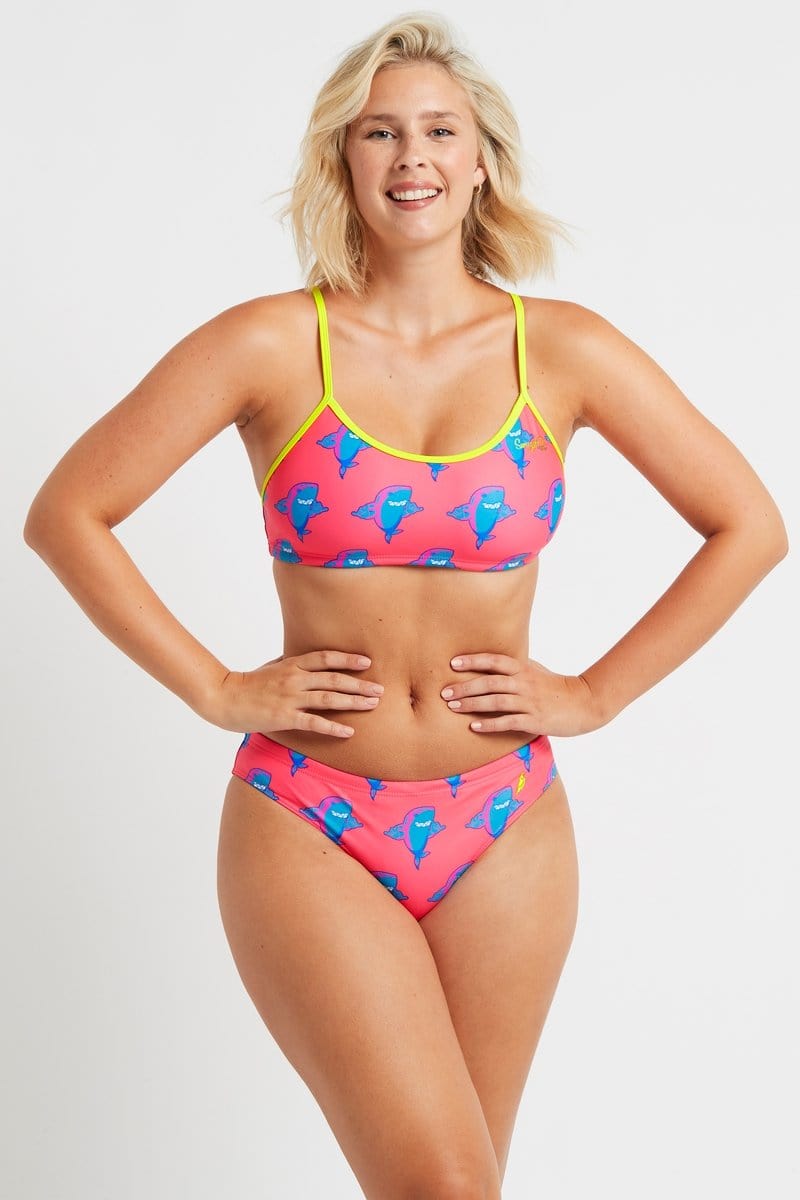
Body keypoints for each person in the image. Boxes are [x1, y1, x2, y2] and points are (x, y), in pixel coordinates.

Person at [23, 12, 787, 1199]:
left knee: (458, 1186)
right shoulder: (270, 343)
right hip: (307, 814)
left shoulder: (564, 350)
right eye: (379, 132)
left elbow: (748, 526)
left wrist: (595, 693)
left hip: (506, 822)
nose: (410, 156)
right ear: (342, 156)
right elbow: (68, 512)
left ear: (481, 159)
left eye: (438, 130)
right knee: (440, 1184)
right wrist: (215, 686)